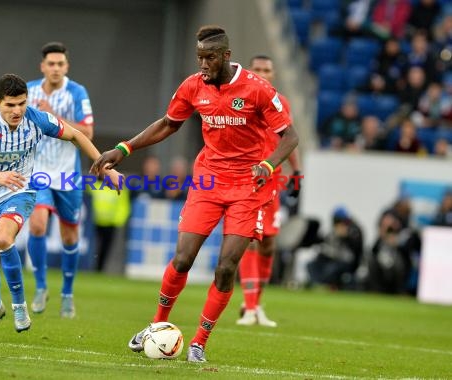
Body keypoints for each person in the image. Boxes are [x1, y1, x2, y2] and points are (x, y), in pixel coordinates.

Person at [91, 25, 298, 362]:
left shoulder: (258, 90)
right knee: (183, 258)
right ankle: (156, 326)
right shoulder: (193, 86)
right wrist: (124, 148)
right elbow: (168, 123)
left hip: (248, 186)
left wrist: (269, 165)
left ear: (227, 56)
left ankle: (200, 341)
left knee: (226, 267)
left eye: (210, 58)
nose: (203, 64)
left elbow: (290, 137)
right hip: (209, 181)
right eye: (199, 57)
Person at [0, 73, 119, 337]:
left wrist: (105, 167)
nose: (17, 110)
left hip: (21, 191)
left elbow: (77, 135)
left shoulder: (36, 118)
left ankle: (20, 306)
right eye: (10, 105)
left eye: (21, 103)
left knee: (3, 238)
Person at [25, 42, 95, 318]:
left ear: (66, 66)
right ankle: (41, 286)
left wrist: (53, 116)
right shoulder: (27, 91)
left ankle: (67, 293)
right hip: (36, 171)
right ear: (43, 66)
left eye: (60, 64)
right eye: (50, 64)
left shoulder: (77, 93)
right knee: (38, 224)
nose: (55, 68)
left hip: (67, 174)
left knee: (70, 235)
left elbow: (87, 131)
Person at [236, 54, 302, 327]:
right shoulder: (239, 99)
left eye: (267, 69)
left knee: (268, 243)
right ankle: (250, 307)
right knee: (249, 238)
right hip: (245, 178)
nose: (262, 73)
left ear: (273, 74)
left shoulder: (281, 103)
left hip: (273, 181)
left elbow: (287, 139)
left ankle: (256, 304)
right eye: (258, 68)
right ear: (250, 71)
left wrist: (296, 174)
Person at [306, 207, 364, 290]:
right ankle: (318, 285)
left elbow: (355, 253)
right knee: (311, 265)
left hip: (346, 262)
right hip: (331, 259)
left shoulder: (354, 231)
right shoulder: (333, 230)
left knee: (331, 269)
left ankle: (328, 287)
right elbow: (325, 244)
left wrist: (345, 237)